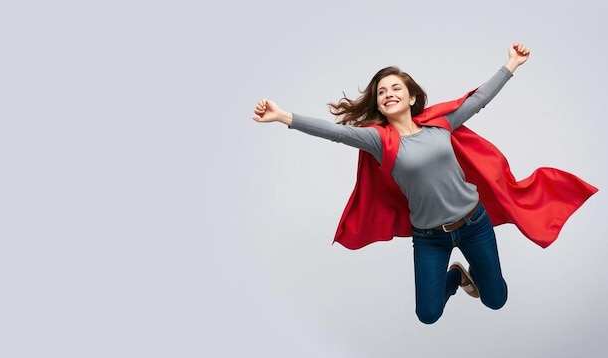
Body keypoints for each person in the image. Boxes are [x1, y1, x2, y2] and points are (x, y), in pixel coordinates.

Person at [251, 44, 598, 324]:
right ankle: (456, 277)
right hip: (430, 237)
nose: (388, 94)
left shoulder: (440, 124)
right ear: (379, 104)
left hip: (475, 224)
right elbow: (338, 133)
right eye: (382, 91)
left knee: (496, 300)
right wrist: (284, 117)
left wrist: (511, 64)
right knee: (428, 315)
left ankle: (474, 276)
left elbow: (476, 101)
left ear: (412, 97)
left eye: (395, 88)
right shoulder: (379, 141)